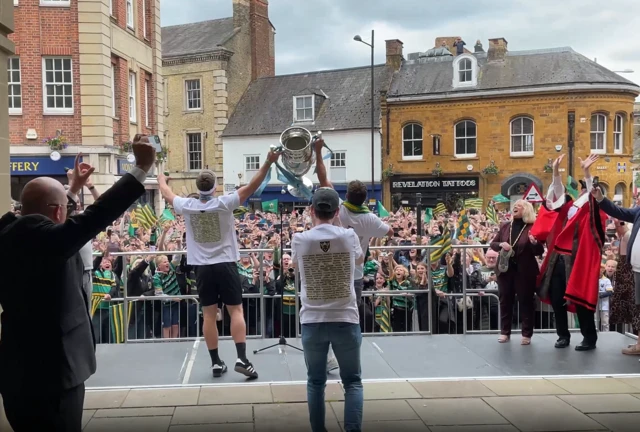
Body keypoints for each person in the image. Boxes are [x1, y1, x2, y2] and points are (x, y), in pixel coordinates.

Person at [0, 136, 155, 431]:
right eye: (65, 210)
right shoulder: (48, 241)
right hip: (53, 376)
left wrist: (70, 190)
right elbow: (98, 215)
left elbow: (48, 215)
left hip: (15, 371)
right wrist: (142, 167)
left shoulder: (9, 233)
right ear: (59, 212)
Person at [157, 148, 281, 380]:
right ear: (214, 187)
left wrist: (162, 179)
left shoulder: (188, 205)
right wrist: (267, 162)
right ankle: (242, 359)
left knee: (209, 315)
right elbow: (252, 185)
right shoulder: (225, 203)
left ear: (198, 187)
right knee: (236, 311)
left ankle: (215, 363)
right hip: (225, 263)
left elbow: (166, 193)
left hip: (202, 267)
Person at [313, 138, 392, 371]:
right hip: (355, 274)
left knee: (329, 314)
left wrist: (318, 152)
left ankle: (328, 356)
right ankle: (349, 357)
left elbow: (322, 177)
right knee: (350, 317)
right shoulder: (370, 219)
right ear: (365, 199)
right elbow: (390, 231)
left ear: (346, 196)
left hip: (333, 269)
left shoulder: (340, 209)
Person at [291, 187, 364, 432]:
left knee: (315, 382)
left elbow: (294, 266)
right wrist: (341, 226)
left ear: (311, 210)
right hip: (346, 317)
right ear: (336, 211)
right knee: (352, 382)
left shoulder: (300, 239)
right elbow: (360, 260)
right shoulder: (349, 236)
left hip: (312, 319)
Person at [536, 153, 600, 351]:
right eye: (581, 187)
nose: (582, 190)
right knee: (557, 298)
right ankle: (562, 335)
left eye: (584, 187)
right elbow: (556, 193)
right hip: (558, 258)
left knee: (580, 297)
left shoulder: (590, 208)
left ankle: (589, 337)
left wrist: (587, 172)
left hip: (577, 259)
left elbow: (593, 197)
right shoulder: (570, 206)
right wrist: (555, 171)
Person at [490, 200, 543, 345]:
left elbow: (540, 250)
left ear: (526, 210)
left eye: (518, 206)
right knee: (505, 300)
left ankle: (526, 334)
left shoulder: (532, 227)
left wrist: (534, 243)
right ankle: (505, 332)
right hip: (505, 270)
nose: (515, 207)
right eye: (514, 206)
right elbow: (492, 244)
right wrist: (501, 244)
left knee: (526, 302)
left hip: (524, 272)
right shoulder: (505, 226)